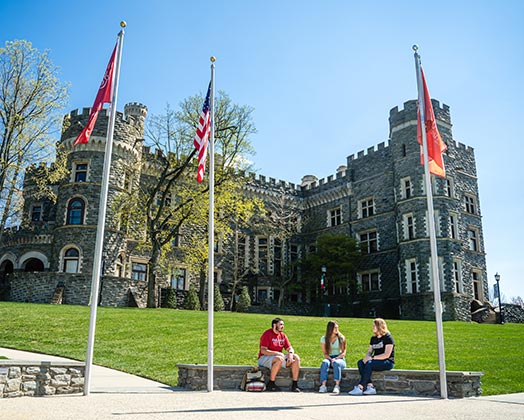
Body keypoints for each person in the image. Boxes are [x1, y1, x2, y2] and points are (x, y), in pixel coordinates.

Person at [349, 318, 395, 396]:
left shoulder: (388, 338)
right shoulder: (373, 339)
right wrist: (366, 357)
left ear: (380, 326)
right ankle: (370, 386)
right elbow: (370, 351)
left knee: (369, 363)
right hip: (376, 360)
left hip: (387, 362)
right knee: (360, 362)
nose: (373, 328)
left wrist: (372, 358)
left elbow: (386, 355)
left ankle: (360, 387)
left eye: (374, 326)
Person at [258, 317, 301, 392]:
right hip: (264, 358)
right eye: (280, 324)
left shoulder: (283, 335)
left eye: (283, 324)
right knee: (279, 358)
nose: (282, 326)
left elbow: (290, 348)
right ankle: (271, 384)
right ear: (274, 325)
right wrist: (277, 353)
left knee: (296, 358)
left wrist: (290, 355)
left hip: (278, 357)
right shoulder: (267, 334)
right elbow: (263, 350)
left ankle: (295, 385)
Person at [319, 320, 346, 394]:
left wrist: (336, 358)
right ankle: (323, 385)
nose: (337, 330)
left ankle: (337, 386)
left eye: (337, 328)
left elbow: (344, 352)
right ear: (330, 329)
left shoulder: (341, 338)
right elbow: (325, 353)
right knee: (324, 363)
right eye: (335, 328)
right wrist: (330, 359)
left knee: (336, 363)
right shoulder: (324, 339)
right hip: (329, 357)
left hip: (340, 358)